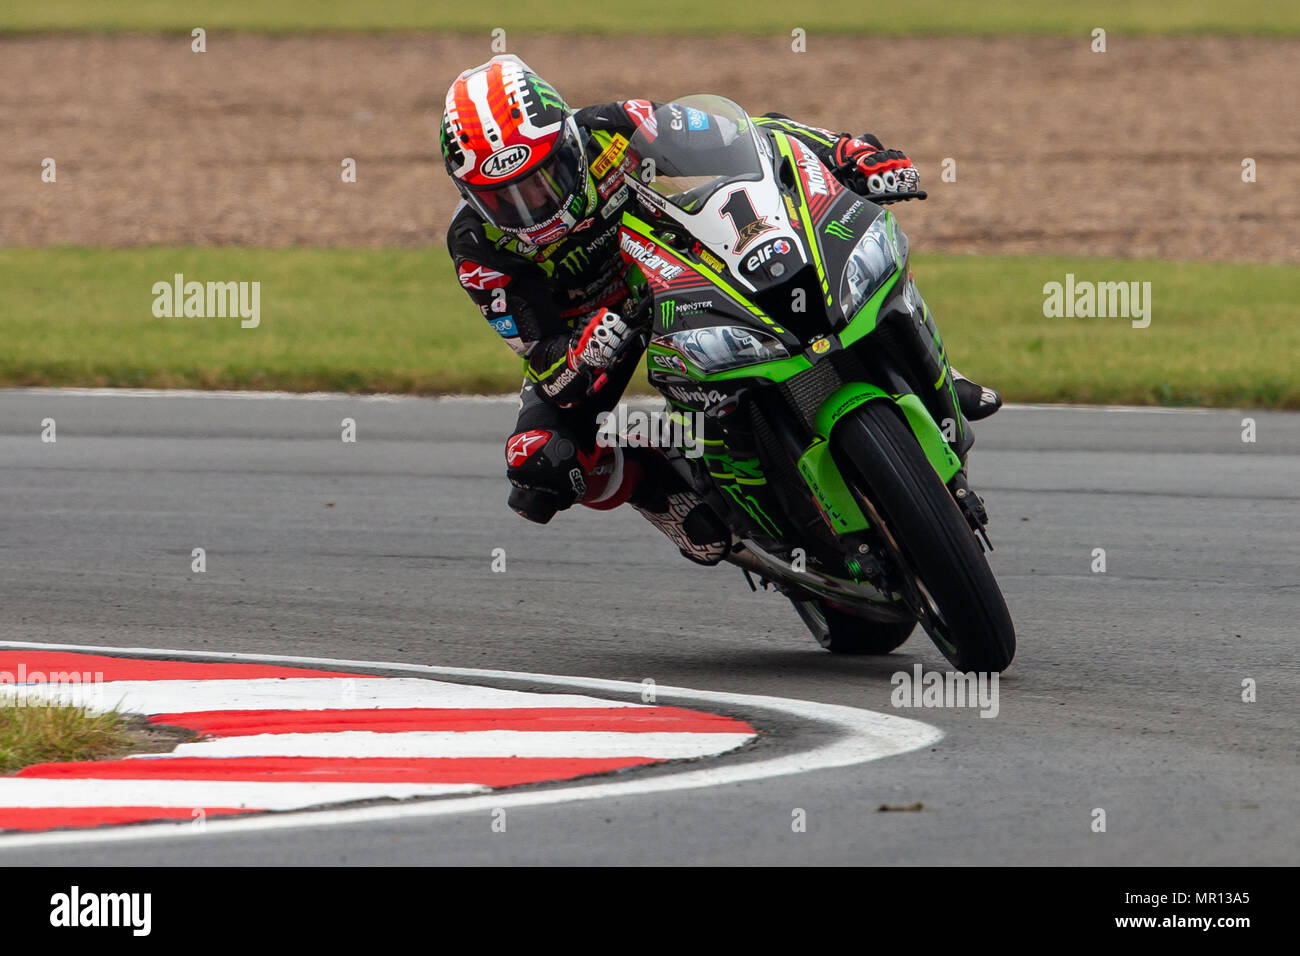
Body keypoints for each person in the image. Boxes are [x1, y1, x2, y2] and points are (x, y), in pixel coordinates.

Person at [442, 55, 1001, 565]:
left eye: (544, 178)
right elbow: (543, 360)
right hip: (596, 334)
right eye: (505, 197)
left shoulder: (614, 128)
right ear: (471, 197)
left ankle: (931, 369)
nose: (533, 204)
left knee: (832, 260)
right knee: (537, 464)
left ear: (567, 140)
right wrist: (581, 352)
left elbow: (753, 137)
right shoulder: (476, 247)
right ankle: (661, 494)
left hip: (676, 267)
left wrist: (845, 153)